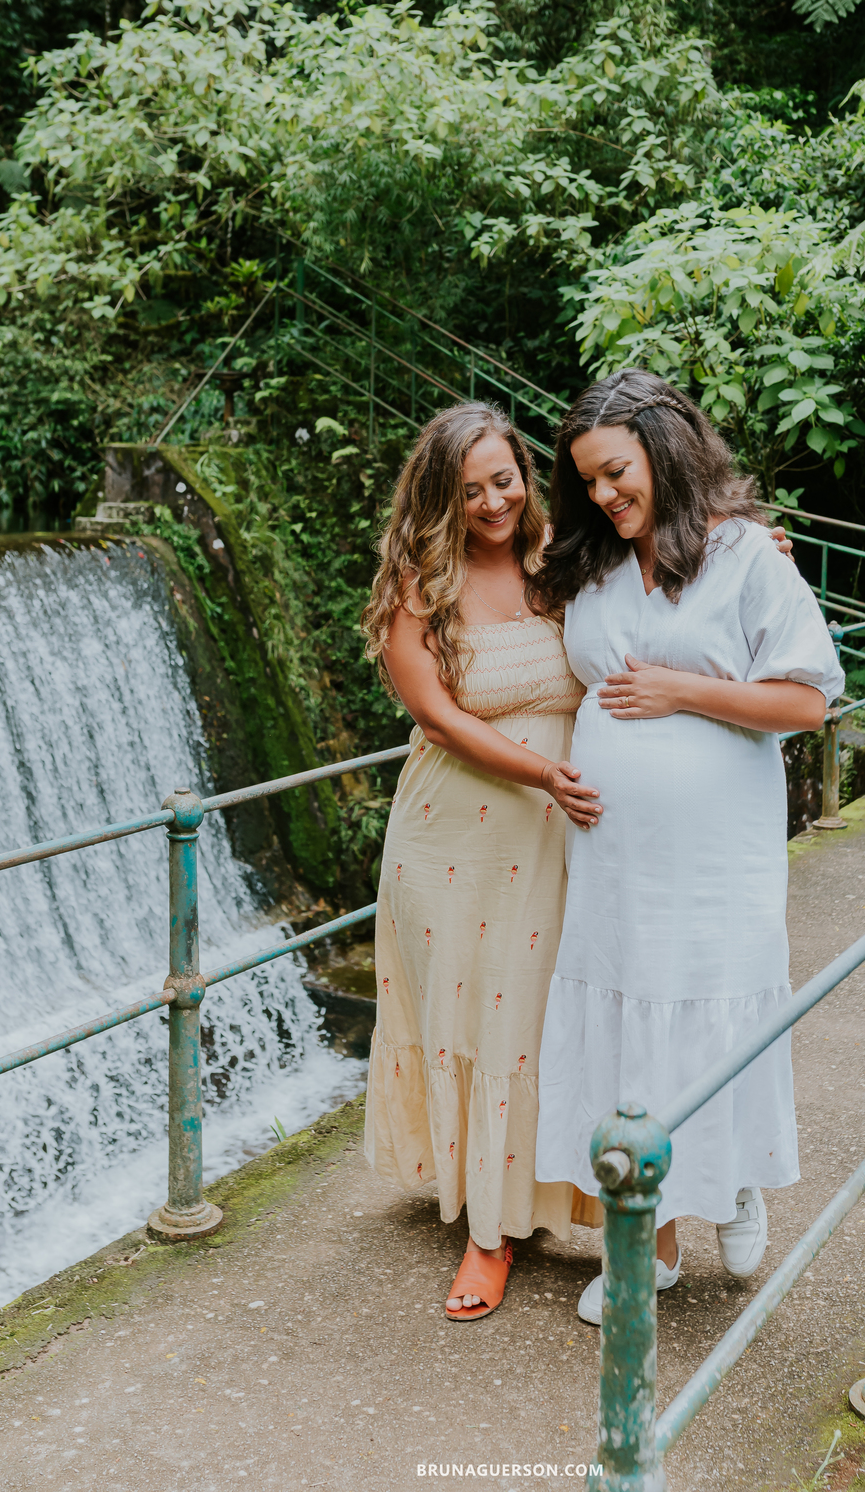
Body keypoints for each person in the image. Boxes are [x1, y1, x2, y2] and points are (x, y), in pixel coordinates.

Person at [532, 368, 844, 1325]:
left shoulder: (745, 555)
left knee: (714, 1014)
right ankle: (649, 1248)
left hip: (715, 857)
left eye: (616, 472)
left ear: (664, 452)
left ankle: (735, 1183)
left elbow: (807, 699)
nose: (603, 494)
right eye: (587, 480)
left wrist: (680, 690)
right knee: (627, 1032)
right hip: (612, 860)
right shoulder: (589, 563)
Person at [360, 402, 604, 1321]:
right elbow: (437, 716)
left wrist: (749, 552)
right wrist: (543, 772)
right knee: (479, 1020)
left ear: (526, 478)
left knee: (542, 1019)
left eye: (505, 481)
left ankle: (542, 1197)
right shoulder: (420, 583)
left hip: (556, 837)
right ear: (441, 498)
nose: (494, 502)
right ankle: (488, 1234)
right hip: (453, 842)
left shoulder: (561, 561)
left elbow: (663, 576)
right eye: (471, 491)